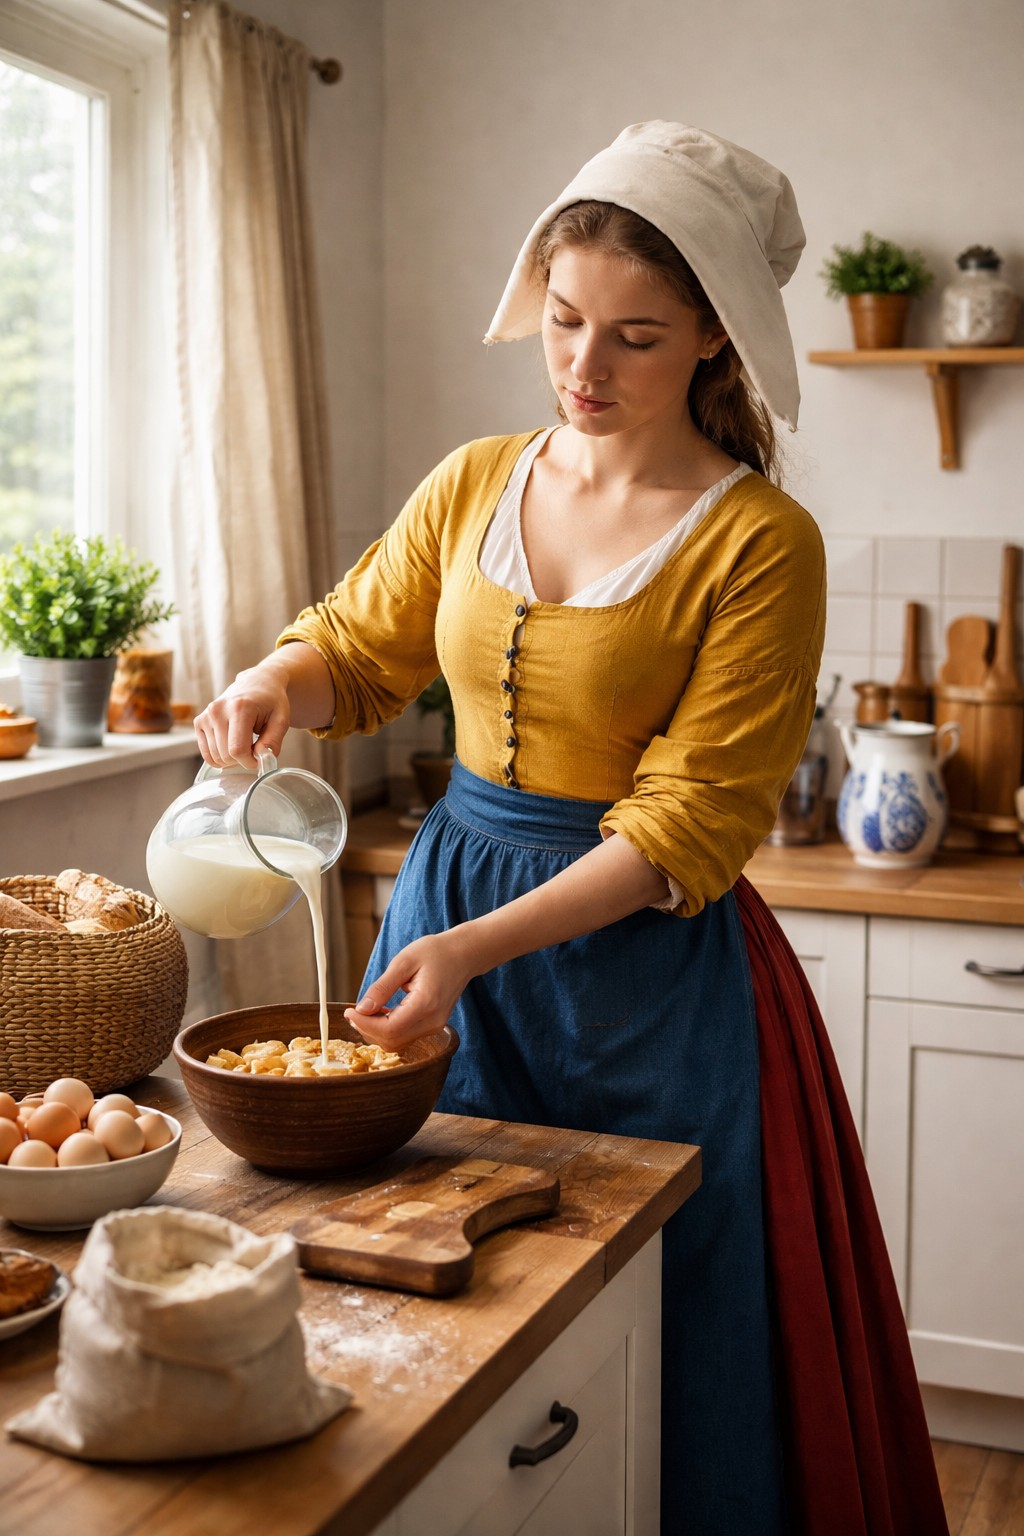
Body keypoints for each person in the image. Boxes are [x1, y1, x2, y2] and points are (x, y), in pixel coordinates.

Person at [195, 123, 949, 1536]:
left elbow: (686, 825)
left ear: (717, 344)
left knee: (664, 1306)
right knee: (437, 1308)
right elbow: (359, 648)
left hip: (649, 982)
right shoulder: (479, 478)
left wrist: (476, 944)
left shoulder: (757, 543)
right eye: (562, 321)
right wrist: (268, 685)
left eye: (638, 338)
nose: (584, 371)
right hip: (449, 935)